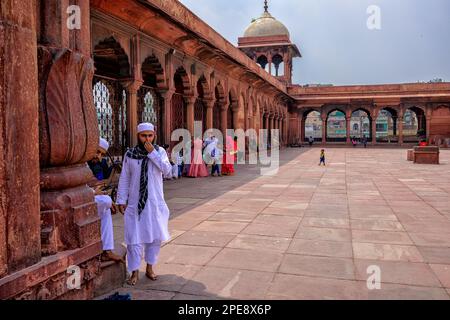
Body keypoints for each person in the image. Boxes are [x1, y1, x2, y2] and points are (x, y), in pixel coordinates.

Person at [116, 122, 173, 286]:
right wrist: (121, 199)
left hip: (154, 204)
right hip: (135, 204)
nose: (147, 138)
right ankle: (134, 271)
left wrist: (152, 153)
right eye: (143, 135)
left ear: (154, 135)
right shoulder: (130, 154)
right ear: (138, 136)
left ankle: (149, 267)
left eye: (150, 135)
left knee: (154, 238)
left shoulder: (160, 151)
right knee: (134, 239)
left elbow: (167, 171)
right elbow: (125, 178)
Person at [89, 138, 123, 263]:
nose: (98, 156)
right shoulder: (82, 163)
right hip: (79, 199)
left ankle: (107, 251)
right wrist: (93, 192)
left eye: (101, 154)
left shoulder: (100, 162)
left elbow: (104, 178)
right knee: (106, 201)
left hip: (95, 193)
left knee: (107, 207)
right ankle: (106, 250)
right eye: (97, 152)